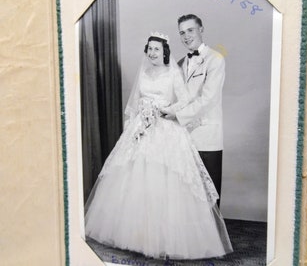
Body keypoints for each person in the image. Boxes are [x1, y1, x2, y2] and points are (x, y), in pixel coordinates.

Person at [84, 32, 233, 260]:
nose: (153, 53)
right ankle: (136, 235)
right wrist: (132, 127)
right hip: (141, 129)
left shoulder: (173, 73)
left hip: (165, 129)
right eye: (150, 49)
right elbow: (133, 104)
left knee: (164, 179)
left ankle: (165, 238)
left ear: (165, 52)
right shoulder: (143, 73)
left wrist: (166, 110)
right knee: (136, 180)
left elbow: (184, 100)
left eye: (157, 49)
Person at [161, 14, 226, 207]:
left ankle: (213, 236)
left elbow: (208, 98)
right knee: (187, 192)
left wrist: (176, 115)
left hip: (206, 135)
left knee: (209, 192)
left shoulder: (215, 59)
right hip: (183, 137)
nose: (186, 36)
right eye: (182, 32)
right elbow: (179, 98)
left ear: (201, 30)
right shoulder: (180, 63)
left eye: (190, 30)